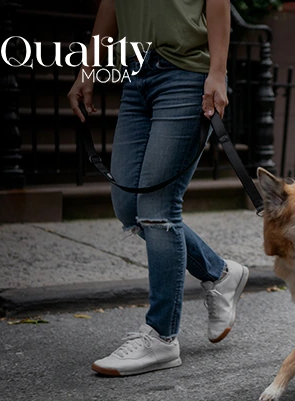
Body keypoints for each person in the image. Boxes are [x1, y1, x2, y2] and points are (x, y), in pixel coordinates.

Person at [67, 0, 249, 376]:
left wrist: (217, 71)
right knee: (128, 205)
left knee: (158, 207)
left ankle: (161, 337)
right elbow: (109, 5)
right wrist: (88, 69)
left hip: (186, 72)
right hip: (136, 76)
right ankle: (218, 273)